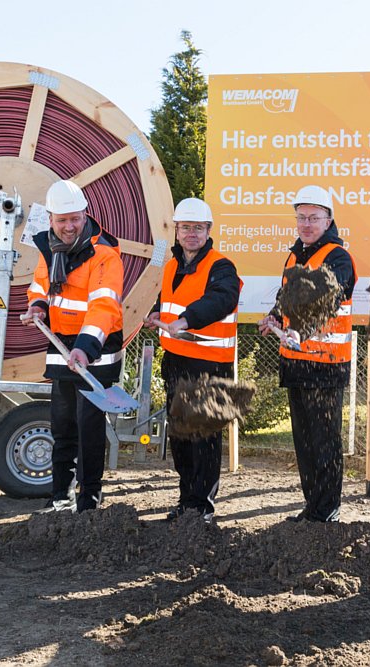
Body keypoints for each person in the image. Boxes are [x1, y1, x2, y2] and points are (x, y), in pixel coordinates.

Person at [258, 185, 357, 523]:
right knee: (304, 443)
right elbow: (288, 297)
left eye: (314, 218)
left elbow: (328, 298)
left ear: (329, 220)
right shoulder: (295, 255)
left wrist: (303, 326)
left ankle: (327, 510)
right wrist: (274, 315)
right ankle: (311, 507)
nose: (307, 224)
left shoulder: (338, 258)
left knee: (325, 442)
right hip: (297, 362)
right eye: (301, 217)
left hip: (326, 365)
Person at [24, 180, 124, 513]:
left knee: (89, 429)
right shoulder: (48, 248)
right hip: (60, 344)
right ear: (51, 219)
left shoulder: (105, 256)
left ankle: (89, 500)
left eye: (75, 219)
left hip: (95, 349)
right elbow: (39, 284)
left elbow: (104, 308)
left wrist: (84, 347)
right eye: (61, 220)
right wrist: (38, 305)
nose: (68, 227)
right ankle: (59, 498)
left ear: (85, 215)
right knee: (63, 424)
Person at [144, 198, 242, 524]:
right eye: (185, 227)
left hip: (210, 366)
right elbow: (169, 299)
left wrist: (186, 320)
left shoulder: (221, 265)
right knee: (182, 438)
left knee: (205, 440)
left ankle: (203, 509)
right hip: (177, 362)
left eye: (197, 228)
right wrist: (156, 312)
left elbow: (222, 299)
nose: (191, 234)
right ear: (176, 230)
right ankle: (187, 503)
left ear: (208, 231)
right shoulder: (172, 265)